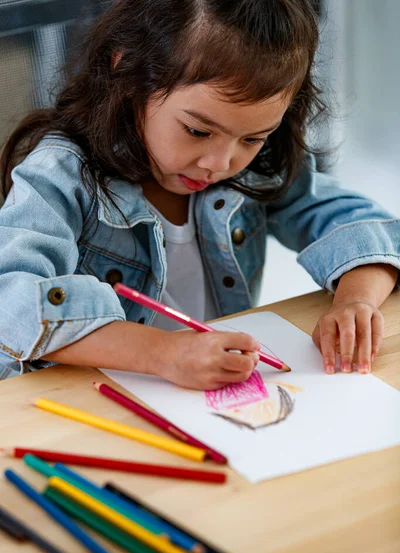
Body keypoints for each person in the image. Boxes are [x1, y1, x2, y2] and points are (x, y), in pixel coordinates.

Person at [0, 0, 398, 388]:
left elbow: (366, 227)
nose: (220, 163)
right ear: (128, 72)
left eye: (254, 137)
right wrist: (161, 353)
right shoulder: (62, 174)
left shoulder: (257, 165)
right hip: (85, 406)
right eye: (198, 131)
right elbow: (9, 300)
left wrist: (356, 302)